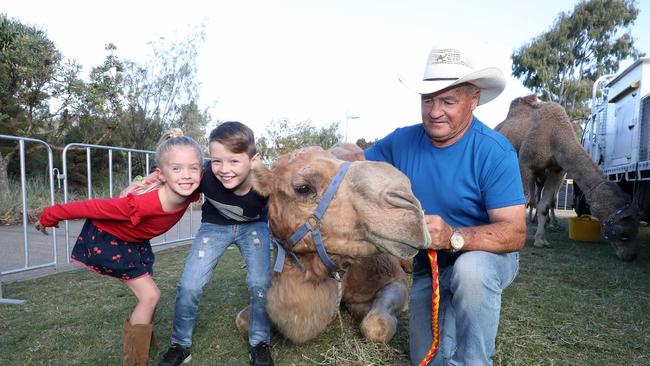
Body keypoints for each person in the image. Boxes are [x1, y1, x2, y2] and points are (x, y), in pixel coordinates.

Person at [364, 46, 527, 365]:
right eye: (428, 100)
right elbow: (355, 164)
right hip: (430, 266)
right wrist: (315, 159)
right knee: (427, 359)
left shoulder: (495, 151)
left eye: (448, 101)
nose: (435, 111)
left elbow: (515, 233)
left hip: (487, 258)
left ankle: (477, 360)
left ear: (473, 99)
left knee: (470, 270)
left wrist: (454, 236)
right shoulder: (402, 141)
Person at [35, 130, 203, 366]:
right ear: (162, 174)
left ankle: (142, 338)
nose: (186, 175)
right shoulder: (142, 205)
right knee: (150, 295)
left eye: (193, 168)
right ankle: (134, 362)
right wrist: (50, 214)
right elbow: (93, 208)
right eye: (177, 169)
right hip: (109, 239)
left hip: (135, 241)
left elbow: (224, 173)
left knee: (148, 295)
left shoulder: (191, 186)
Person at [157, 121, 274, 366]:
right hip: (214, 226)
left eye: (234, 161)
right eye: (217, 160)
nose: (224, 169)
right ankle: (180, 345)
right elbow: (170, 177)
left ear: (254, 159)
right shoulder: (205, 175)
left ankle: (260, 343)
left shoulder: (266, 184)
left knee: (260, 282)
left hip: (254, 227)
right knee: (189, 285)